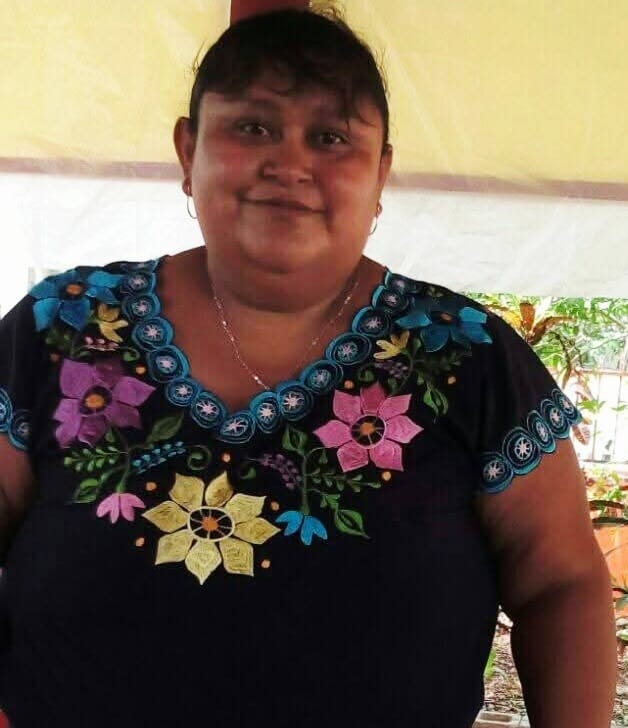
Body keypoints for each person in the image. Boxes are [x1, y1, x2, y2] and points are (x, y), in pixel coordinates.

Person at [0, 8, 617, 728]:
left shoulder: (466, 356)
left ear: (381, 171)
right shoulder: (63, 329)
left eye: (330, 138)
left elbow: (561, 583)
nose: (289, 165)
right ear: (188, 150)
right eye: (252, 127)